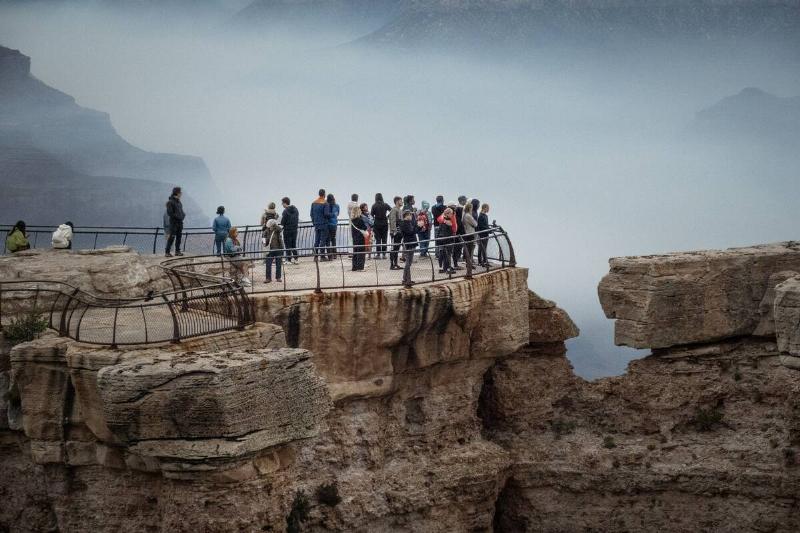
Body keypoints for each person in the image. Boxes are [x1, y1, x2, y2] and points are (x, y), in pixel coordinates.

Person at [165, 187, 185, 257]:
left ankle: (177, 251)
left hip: (180, 223)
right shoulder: (170, 202)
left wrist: (183, 215)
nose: (181, 193)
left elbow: (182, 212)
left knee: (179, 237)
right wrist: (178, 217)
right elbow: (170, 213)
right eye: (180, 192)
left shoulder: (179, 202)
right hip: (174, 223)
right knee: (172, 237)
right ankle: (167, 252)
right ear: (177, 193)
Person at [400, 210, 419, 286]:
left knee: (409, 263)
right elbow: (410, 232)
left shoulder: (409, 223)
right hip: (409, 244)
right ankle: (407, 280)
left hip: (411, 243)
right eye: (410, 215)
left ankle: (406, 279)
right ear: (406, 216)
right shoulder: (404, 224)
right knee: (408, 263)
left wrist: (419, 227)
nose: (411, 216)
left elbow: (414, 231)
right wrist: (417, 226)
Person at [435, 208, 456, 275]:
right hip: (447, 240)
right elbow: (446, 232)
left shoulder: (443, 220)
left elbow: (440, 230)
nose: (452, 215)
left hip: (442, 240)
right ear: (448, 214)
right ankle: (447, 268)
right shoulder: (447, 222)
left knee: (444, 254)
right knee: (448, 254)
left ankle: (444, 268)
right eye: (451, 213)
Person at [263, 218, 284, 283]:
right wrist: (282, 249)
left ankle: (269, 278)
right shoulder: (278, 231)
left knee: (269, 264)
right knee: (277, 264)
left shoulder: (273, 230)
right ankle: (277, 278)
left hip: (272, 250)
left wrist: (265, 243)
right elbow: (281, 240)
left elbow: (264, 241)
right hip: (277, 249)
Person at [371, 193, 391, 259]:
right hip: (385, 223)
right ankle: (384, 254)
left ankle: (378, 254)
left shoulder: (374, 205)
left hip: (377, 224)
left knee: (378, 239)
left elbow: (371, 215)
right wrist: (387, 216)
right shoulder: (385, 205)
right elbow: (392, 210)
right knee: (384, 239)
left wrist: (374, 218)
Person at [280, 197, 299, 264]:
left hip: (287, 230)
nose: (282, 205)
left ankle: (288, 259)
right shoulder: (296, 210)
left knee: (288, 245)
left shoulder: (285, 211)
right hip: (294, 230)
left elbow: (283, 222)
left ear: (285, 203)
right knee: (293, 244)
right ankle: (296, 258)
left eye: (282, 203)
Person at [350, 202, 368, 271]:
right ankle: (360, 267)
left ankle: (354, 267)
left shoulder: (352, 221)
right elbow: (365, 228)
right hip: (360, 237)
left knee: (355, 252)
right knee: (361, 252)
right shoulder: (360, 220)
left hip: (354, 238)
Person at [461, 199, 478, 272]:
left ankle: (468, 263)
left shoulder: (464, 215)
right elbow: (475, 224)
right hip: (470, 233)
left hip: (466, 233)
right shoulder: (468, 216)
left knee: (468, 249)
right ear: (469, 208)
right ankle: (469, 264)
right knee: (471, 249)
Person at [310, 189, 327, 257]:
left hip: (316, 224)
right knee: (323, 240)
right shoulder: (325, 203)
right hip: (323, 224)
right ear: (324, 194)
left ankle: (316, 255)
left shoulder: (314, 203)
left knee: (317, 240)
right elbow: (326, 214)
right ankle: (322, 256)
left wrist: (314, 222)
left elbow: (311, 214)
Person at [452, 196, 468, 269]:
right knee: (457, 248)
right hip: (459, 234)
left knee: (456, 248)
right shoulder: (461, 209)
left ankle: (456, 263)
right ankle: (456, 264)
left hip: (457, 233)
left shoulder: (456, 217)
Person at [323, 194, 340, 261]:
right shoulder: (337, 206)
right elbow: (337, 214)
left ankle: (329, 254)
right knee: (333, 239)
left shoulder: (327, 205)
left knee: (328, 240)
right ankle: (334, 253)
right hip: (334, 224)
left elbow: (326, 215)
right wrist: (334, 215)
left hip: (328, 224)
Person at [388, 196, 404, 270]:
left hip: (400, 232)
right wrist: (393, 231)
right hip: (395, 232)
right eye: (401, 201)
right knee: (394, 248)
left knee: (397, 248)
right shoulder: (394, 210)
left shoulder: (399, 210)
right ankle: (392, 265)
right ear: (397, 201)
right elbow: (392, 221)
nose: (402, 202)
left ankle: (396, 263)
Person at [477, 203, 491, 267]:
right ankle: (481, 261)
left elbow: (486, 225)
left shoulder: (485, 216)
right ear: (484, 208)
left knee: (483, 248)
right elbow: (481, 226)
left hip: (486, 234)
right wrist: (488, 229)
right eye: (488, 208)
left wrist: (489, 229)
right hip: (482, 234)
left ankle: (484, 261)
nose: (488, 209)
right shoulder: (481, 216)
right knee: (481, 248)